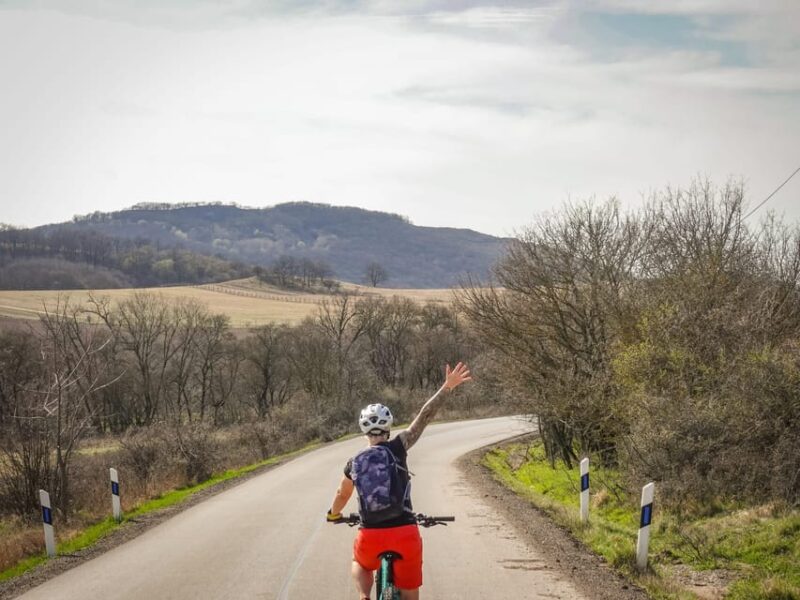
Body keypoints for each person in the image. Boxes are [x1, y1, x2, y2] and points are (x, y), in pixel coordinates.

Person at [326, 362, 472, 600]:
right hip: (405, 532)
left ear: (364, 430)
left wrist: (333, 514)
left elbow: (342, 495)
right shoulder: (399, 447)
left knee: (360, 564)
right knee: (410, 593)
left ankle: (364, 595)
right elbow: (424, 416)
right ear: (388, 427)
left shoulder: (354, 463)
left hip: (370, 534)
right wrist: (447, 387)